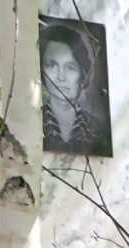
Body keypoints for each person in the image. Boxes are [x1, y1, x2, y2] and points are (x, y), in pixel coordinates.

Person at [41, 27, 98, 155]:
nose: (61, 77)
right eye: (52, 65)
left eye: (70, 67)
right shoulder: (29, 124)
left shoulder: (98, 131)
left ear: (82, 75)